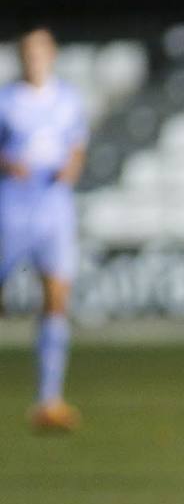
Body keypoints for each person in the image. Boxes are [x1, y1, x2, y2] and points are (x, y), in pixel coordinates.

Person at [0, 27, 86, 433]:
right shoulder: (6, 99)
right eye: (27, 52)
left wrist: (72, 166)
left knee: (56, 297)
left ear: (51, 54)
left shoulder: (68, 99)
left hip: (54, 203)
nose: (33, 59)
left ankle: (49, 400)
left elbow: (77, 146)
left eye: (39, 51)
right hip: (12, 203)